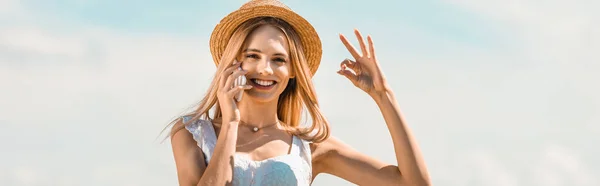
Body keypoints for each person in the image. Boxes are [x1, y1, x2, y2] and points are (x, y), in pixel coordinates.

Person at [167, 0, 431, 185]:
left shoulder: (312, 147)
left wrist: (383, 95)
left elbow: (413, 184)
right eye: (253, 55)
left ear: (293, 70)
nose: (265, 69)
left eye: (278, 60)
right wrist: (231, 123)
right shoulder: (192, 133)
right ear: (236, 62)